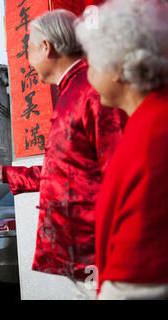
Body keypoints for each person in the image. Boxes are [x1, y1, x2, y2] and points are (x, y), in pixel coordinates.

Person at [0, 9, 127, 299]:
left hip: (103, 246)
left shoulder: (93, 90)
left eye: (28, 47)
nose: (27, 59)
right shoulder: (72, 92)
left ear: (47, 47)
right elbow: (66, 172)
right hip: (82, 247)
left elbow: (122, 171)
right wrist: (5, 173)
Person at [75, 0, 168, 299]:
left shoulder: (152, 139)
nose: (88, 75)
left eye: (91, 62)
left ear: (115, 68)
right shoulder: (147, 121)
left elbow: (138, 283)